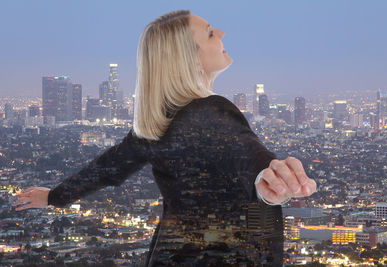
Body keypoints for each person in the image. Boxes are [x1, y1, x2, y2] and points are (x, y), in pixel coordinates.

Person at [14, 10, 317, 266]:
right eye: (210, 33)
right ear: (192, 60)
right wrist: (266, 176)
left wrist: (54, 197)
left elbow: (106, 170)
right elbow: (245, 153)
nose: (222, 32)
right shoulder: (211, 110)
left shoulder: (155, 124)